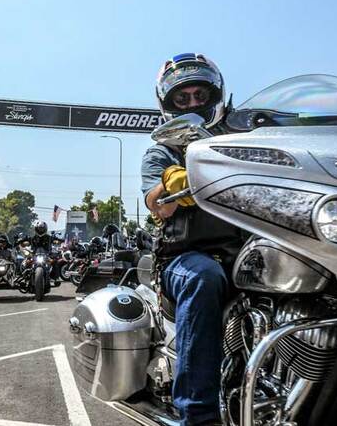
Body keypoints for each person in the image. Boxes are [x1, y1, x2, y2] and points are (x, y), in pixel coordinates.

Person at [142, 53, 247, 425]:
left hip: (242, 255)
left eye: (200, 95)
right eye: (182, 98)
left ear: (215, 96)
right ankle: (198, 414)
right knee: (204, 277)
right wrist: (173, 181)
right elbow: (157, 204)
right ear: (169, 104)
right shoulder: (162, 150)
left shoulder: (240, 142)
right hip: (183, 259)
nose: (192, 104)